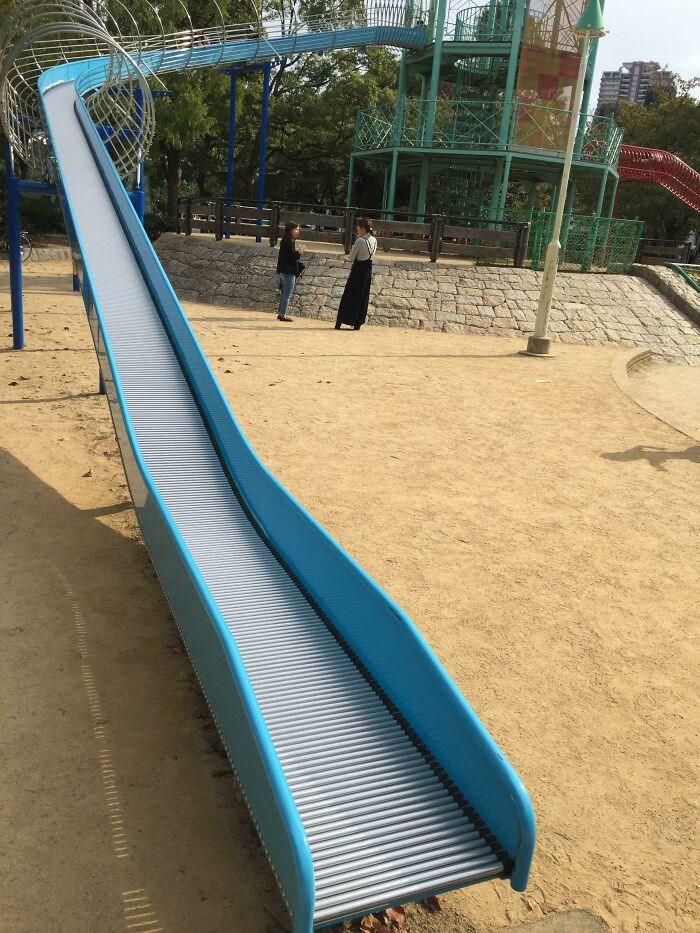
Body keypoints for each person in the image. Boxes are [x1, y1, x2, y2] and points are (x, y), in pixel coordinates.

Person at [335, 217, 377, 330]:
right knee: (363, 296)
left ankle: (341, 320)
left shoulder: (359, 240)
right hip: (368, 270)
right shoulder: (374, 240)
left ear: (363, 228)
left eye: (358, 226)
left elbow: (351, 257)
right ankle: (358, 322)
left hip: (358, 269)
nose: (357, 228)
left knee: (349, 295)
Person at [276, 222, 304, 322]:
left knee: (284, 294)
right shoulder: (288, 241)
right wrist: (299, 253)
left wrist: (297, 253)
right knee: (287, 295)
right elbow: (291, 257)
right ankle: (283, 314)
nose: (297, 231)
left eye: (298, 229)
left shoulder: (286, 240)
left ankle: (280, 313)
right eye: (296, 229)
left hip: (283, 270)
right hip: (288, 271)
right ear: (290, 230)